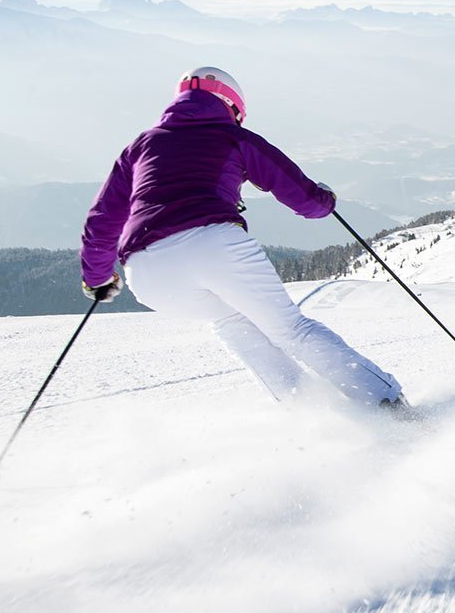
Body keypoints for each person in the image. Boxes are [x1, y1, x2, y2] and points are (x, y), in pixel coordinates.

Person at [79, 67, 404, 405]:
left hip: (146, 273)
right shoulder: (232, 136)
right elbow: (302, 196)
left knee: (231, 321)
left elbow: (102, 218)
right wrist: (325, 200)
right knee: (290, 330)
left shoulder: (141, 145)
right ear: (230, 106)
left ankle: (312, 414)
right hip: (212, 244)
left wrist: (97, 278)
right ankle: (387, 404)